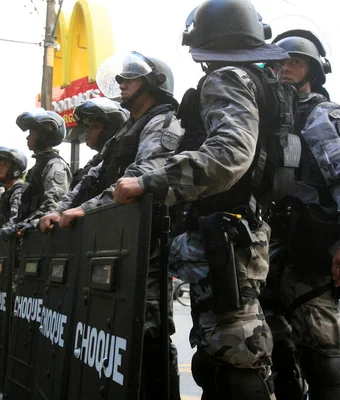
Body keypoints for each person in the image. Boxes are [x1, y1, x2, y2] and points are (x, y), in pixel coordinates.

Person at [113, 1, 295, 398]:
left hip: (226, 237)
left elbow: (229, 155)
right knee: (221, 354)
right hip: (235, 233)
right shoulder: (257, 80)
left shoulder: (226, 78)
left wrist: (150, 182)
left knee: (234, 355)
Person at [40, 50, 183, 399]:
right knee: (111, 327)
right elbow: (87, 179)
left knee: (149, 331)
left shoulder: (164, 122)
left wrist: (85, 211)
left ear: (152, 83)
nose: (120, 83)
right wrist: (60, 209)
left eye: (129, 79)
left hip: (148, 245)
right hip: (117, 244)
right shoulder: (125, 133)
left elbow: (141, 176)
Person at [261, 30, 340, 400]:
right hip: (273, 250)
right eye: (279, 62)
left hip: (312, 251)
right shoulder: (271, 119)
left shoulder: (325, 114)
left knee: (322, 356)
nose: (285, 69)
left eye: (295, 62)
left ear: (313, 70)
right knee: (277, 355)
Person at [13, 109, 72, 233]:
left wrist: (29, 224)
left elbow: (53, 205)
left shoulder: (55, 165)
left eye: (32, 133)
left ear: (44, 135)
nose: (27, 137)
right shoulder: (35, 169)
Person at [69, 97, 129, 191]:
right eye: (88, 126)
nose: (88, 131)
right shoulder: (95, 162)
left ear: (109, 131)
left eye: (95, 126)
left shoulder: (119, 164)